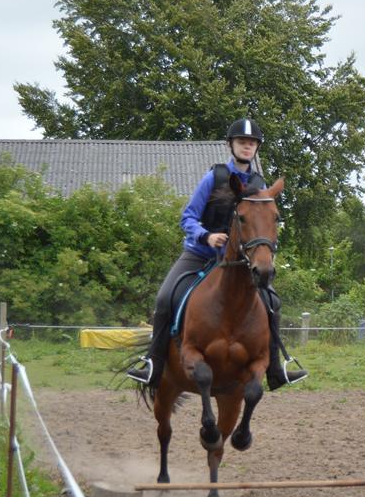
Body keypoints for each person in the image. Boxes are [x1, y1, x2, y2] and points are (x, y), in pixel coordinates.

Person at [126, 118, 307, 390]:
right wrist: (206, 235)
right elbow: (187, 217)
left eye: (252, 143)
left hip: (238, 262)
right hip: (200, 253)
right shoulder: (214, 177)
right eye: (242, 142)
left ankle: (275, 370)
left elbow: (262, 223)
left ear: (256, 148)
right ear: (231, 145)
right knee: (165, 296)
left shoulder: (260, 184)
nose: (247, 146)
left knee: (273, 301)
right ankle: (152, 364)